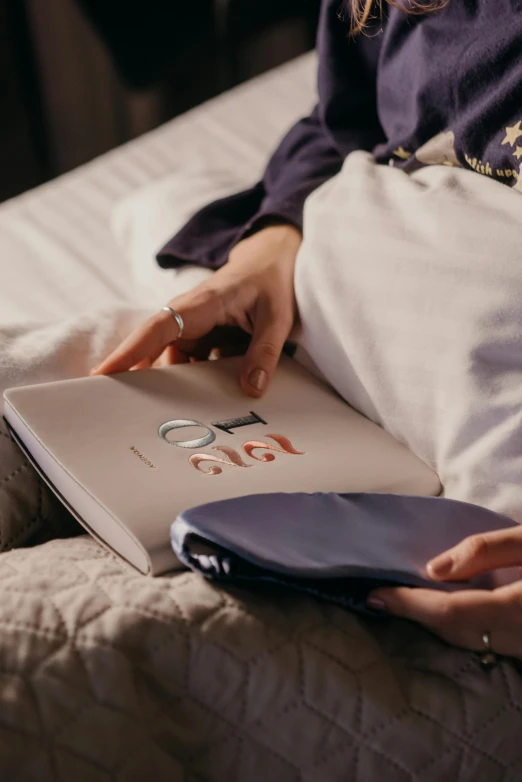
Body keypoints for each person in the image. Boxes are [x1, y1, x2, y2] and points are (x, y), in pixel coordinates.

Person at [92, 0, 522, 662]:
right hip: (306, 364)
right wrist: (270, 238)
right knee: (45, 407)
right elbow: (342, 121)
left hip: (463, 559)